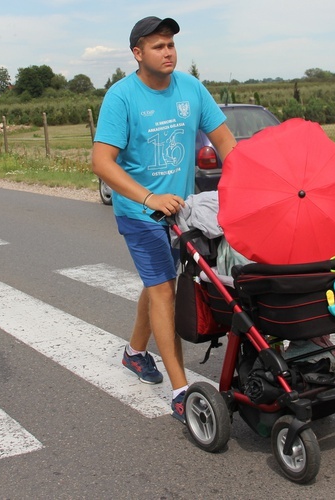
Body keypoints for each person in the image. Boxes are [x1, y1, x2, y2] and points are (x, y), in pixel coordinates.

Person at [92, 16, 237, 422]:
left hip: (183, 209)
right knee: (162, 291)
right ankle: (180, 388)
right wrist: (148, 196)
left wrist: (250, 182)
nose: (168, 51)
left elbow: (225, 141)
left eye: (171, 44)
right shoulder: (121, 98)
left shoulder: (190, 88)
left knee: (160, 283)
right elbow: (101, 161)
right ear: (137, 54)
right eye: (158, 46)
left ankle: (135, 353)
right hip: (140, 212)